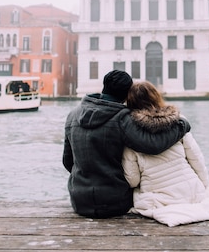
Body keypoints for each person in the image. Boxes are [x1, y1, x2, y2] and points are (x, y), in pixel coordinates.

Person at [63, 70, 191, 219]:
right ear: (127, 94)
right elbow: (153, 145)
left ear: (104, 86)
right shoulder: (122, 118)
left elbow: (67, 162)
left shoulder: (72, 115)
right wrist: (182, 125)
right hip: (115, 202)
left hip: (80, 201)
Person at [122, 81, 209, 227]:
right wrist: (203, 187)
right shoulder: (178, 123)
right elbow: (196, 159)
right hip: (191, 189)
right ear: (156, 97)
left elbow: (133, 180)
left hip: (160, 198)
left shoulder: (131, 135)